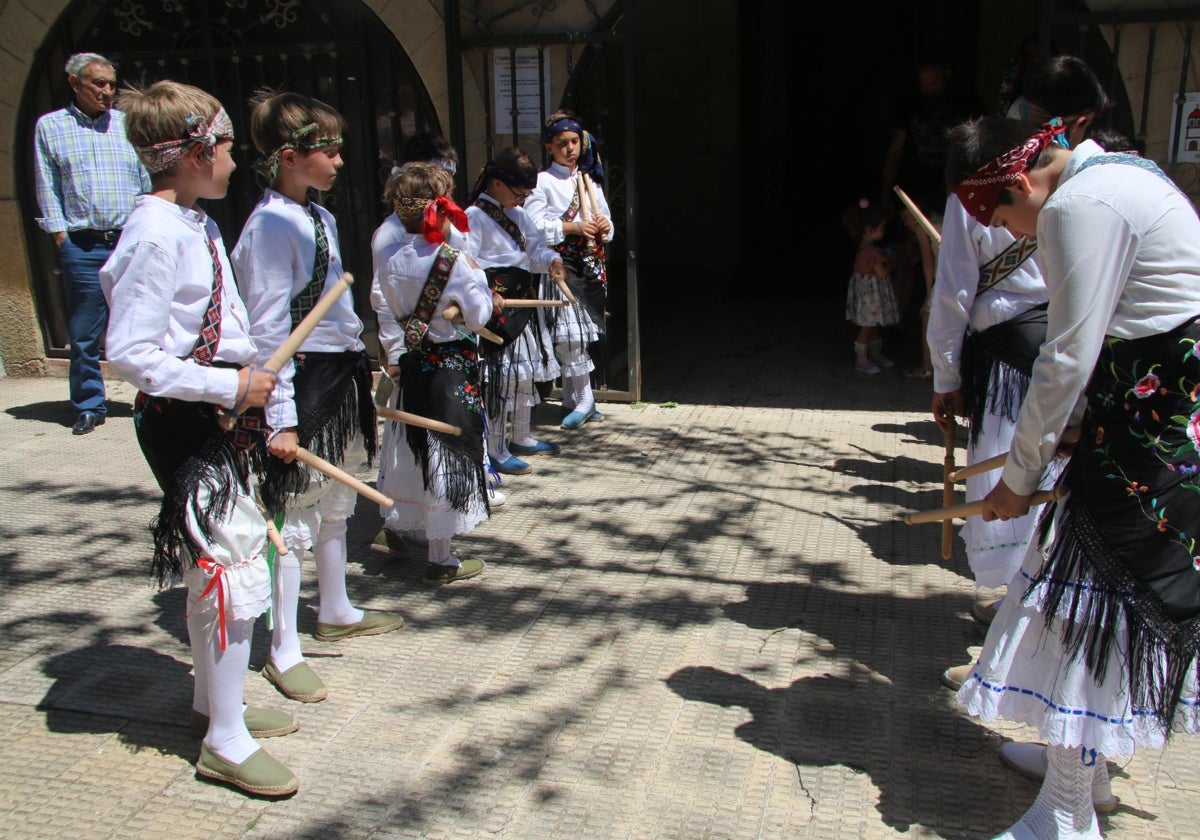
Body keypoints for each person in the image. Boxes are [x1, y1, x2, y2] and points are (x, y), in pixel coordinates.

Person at [950, 116, 1200, 839]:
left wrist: (1019, 478)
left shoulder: (1077, 206)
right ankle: (1078, 780)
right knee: (1092, 610)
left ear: (1022, 182)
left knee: (1086, 611)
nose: (1015, 234)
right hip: (1152, 422)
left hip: (1152, 442)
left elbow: (1066, 355)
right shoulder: (1128, 175)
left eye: (1004, 216)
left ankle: (1065, 815)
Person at [99, 80, 297, 797]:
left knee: (219, 561)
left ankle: (215, 704)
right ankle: (225, 739)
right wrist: (225, 387)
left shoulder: (196, 221)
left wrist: (253, 375)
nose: (234, 160)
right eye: (224, 147)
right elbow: (129, 353)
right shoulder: (153, 230)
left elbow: (223, 321)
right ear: (190, 154)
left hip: (219, 412)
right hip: (183, 417)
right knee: (232, 563)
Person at [231, 90, 403, 708]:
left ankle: (334, 607)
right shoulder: (269, 225)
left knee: (337, 503)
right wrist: (277, 418)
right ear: (288, 156)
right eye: (326, 150)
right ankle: (283, 648)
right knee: (292, 517)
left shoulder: (321, 217)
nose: (337, 161)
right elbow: (266, 327)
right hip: (300, 379)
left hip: (341, 371)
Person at [375, 163, 496, 586]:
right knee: (447, 451)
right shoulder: (456, 262)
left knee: (413, 449)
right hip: (450, 368)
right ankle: (440, 557)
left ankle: (400, 526)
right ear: (440, 213)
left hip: (414, 367)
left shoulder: (390, 260)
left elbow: (391, 307)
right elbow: (478, 316)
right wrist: (479, 286)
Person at [34, 52, 151, 436]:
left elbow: (145, 178)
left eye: (111, 84)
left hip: (129, 240)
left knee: (147, 320)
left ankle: (158, 397)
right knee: (85, 332)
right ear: (74, 83)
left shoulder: (126, 125)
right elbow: (47, 185)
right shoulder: (50, 127)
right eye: (98, 83)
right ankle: (88, 405)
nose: (107, 91)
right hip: (82, 245)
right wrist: (60, 236)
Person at [464, 147, 567, 476]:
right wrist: (485, 292)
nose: (522, 201)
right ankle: (495, 447)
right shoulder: (472, 217)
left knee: (523, 377)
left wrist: (551, 261)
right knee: (500, 381)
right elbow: (465, 264)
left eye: (527, 195)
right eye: (518, 193)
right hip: (497, 307)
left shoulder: (520, 216)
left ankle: (521, 435)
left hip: (524, 303)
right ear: (496, 183)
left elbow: (534, 251)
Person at [524, 110, 613, 429]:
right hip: (560, 266)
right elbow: (532, 226)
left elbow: (607, 221)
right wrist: (572, 226)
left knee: (581, 334)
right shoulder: (541, 182)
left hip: (588, 265)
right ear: (549, 146)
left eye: (575, 142)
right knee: (568, 337)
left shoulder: (589, 179)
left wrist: (604, 226)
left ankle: (574, 400)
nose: (570, 149)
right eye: (562, 143)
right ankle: (584, 400)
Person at [842, 198, 898, 374]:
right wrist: (893, 262)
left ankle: (874, 353)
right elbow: (882, 273)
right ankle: (862, 357)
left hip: (867, 294)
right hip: (870, 296)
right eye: (881, 229)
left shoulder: (862, 248)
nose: (883, 232)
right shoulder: (873, 253)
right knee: (868, 327)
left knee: (874, 325)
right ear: (868, 230)